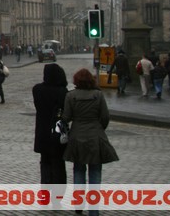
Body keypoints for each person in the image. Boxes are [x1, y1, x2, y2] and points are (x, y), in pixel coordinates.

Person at [62, 68, 119, 216]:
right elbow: (105, 117)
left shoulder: (70, 96)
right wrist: (99, 129)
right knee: (95, 172)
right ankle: (94, 210)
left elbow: (66, 118)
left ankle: (78, 205)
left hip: (77, 136)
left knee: (79, 171)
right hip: (95, 136)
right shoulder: (98, 95)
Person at [32, 63, 69, 207]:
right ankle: (57, 197)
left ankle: (45, 195)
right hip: (57, 133)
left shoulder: (37, 90)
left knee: (45, 164)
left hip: (42, 133)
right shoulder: (62, 92)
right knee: (58, 165)